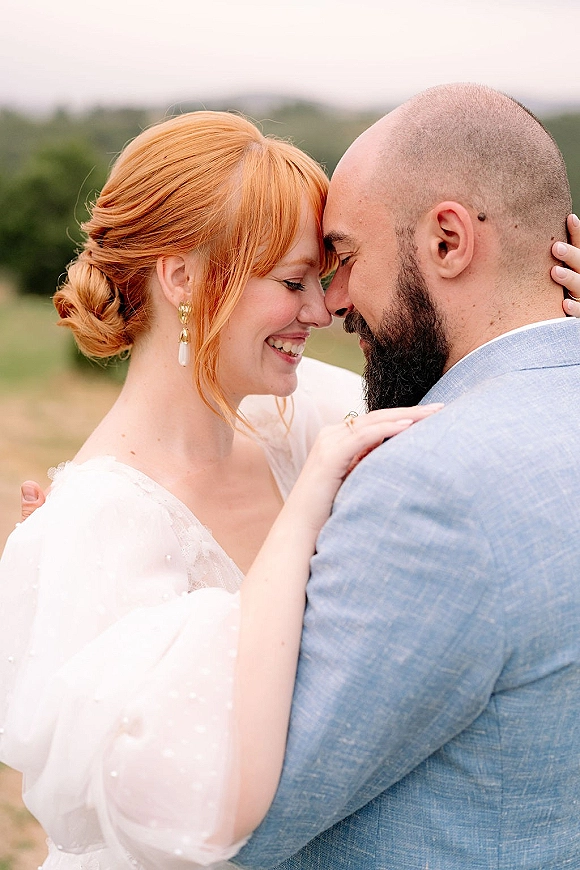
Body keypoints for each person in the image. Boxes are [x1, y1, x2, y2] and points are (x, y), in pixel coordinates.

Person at [0, 111, 439, 869]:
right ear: (184, 278)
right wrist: (305, 510)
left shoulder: (302, 420)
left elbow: (473, 426)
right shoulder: (99, 525)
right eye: (294, 281)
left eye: (324, 280)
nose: (322, 310)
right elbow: (194, 810)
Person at [224, 85, 580, 870]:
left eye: (346, 256)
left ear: (448, 241)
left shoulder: (429, 486)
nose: (333, 302)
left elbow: (246, 821)